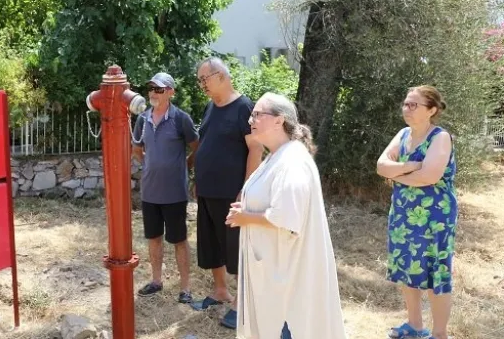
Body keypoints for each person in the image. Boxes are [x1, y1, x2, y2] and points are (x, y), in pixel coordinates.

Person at [226, 92, 347, 339]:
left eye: (257, 114)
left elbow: (287, 216)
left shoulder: (292, 161)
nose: (251, 120)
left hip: (287, 278)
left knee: (286, 328)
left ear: (279, 121)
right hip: (273, 268)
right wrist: (246, 211)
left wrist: (246, 217)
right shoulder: (278, 156)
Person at [377, 86, 457, 339]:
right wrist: (411, 166)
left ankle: (439, 334)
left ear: (431, 110)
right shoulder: (402, 134)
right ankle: (414, 326)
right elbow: (381, 167)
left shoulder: (440, 137)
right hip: (402, 212)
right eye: (406, 104)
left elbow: (430, 176)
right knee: (406, 267)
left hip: (435, 216)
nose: (407, 109)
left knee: (436, 271)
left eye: (414, 105)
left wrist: (397, 172)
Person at [191, 57, 264, 329]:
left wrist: (245, 190)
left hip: (231, 193)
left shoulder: (244, 107)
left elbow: (256, 149)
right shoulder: (212, 106)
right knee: (211, 245)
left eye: (204, 79)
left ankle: (241, 302)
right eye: (199, 80)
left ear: (221, 76)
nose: (201, 85)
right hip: (208, 190)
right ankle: (220, 291)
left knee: (236, 248)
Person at [132, 72, 199, 304]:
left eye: (159, 89)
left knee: (179, 240)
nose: (153, 93)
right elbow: (136, 149)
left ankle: (185, 288)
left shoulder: (181, 119)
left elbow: (196, 147)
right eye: (151, 88)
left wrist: (185, 166)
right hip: (150, 192)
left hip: (175, 193)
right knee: (154, 238)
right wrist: (149, 165)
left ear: (171, 92)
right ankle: (156, 281)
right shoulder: (142, 119)